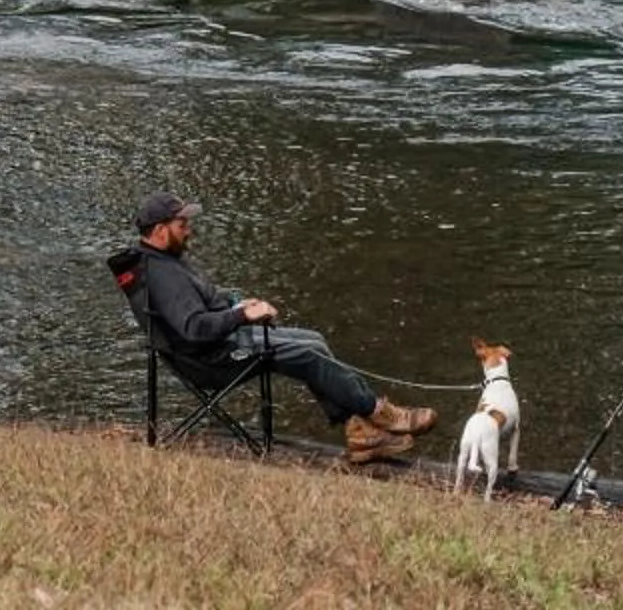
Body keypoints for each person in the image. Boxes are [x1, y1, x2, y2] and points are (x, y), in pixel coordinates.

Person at [128, 192, 434, 462]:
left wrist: (237, 304)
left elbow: (202, 306)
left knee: (314, 340)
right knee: (310, 356)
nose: (189, 230)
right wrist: (243, 317)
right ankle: (379, 413)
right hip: (213, 360)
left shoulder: (162, 259)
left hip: (218, 344)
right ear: (159, 231)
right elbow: (195, 328)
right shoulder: (163, 275)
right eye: (182, 225)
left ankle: (361, 434)